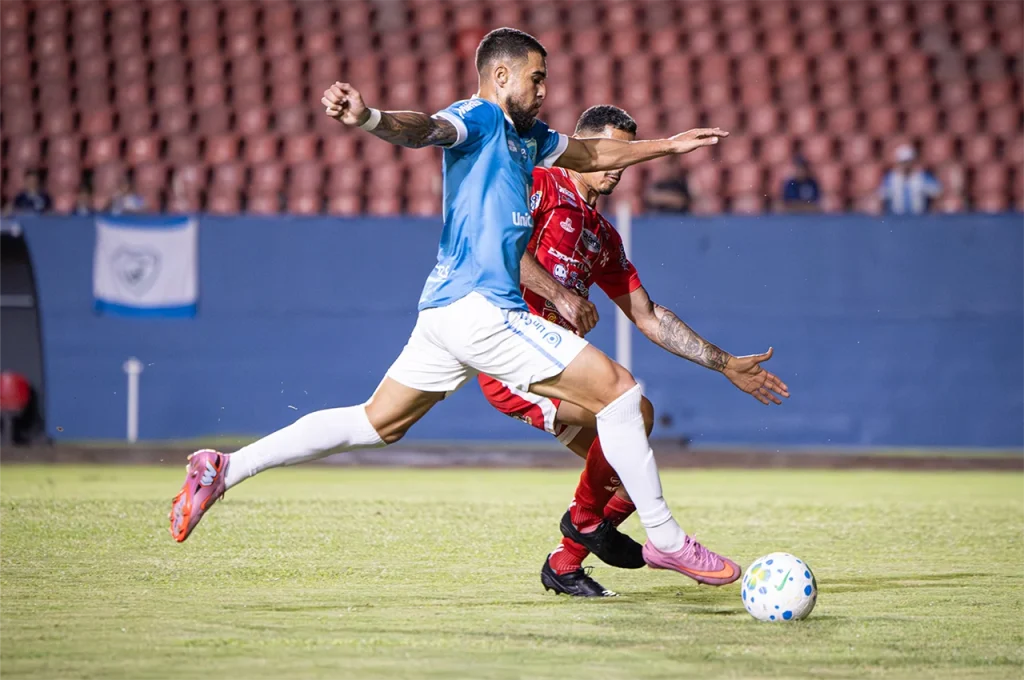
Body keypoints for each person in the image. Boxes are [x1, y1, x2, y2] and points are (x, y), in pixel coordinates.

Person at [170, 29, 779, 588]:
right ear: (501, 76)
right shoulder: (481, 116)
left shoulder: (531, 140)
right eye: (537, 78)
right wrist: (371, 118)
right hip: (483, 310)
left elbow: (593, 156)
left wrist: (669, 147)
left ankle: (225, 467)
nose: (545, 90)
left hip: (444, 314)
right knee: (622, 395)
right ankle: (666, 540)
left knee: (375, 423)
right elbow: (425, 129)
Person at [477, 105, 789, 596]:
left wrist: (726, 364)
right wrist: (560, 295)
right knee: (633, 410)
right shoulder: (539, 185)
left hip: (555, 367)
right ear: (584, 146)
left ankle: (565, 562)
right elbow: (496, 247)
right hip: (511, 358)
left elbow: (648, 315)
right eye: (612, 152)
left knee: (627, 471)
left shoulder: (602, 236)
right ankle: (586, 528)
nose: (620, 165)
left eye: (627, 155)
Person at [878, 144, 941, 215]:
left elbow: (936, 192)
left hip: (919, 217)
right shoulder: (891, 178)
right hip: (896, 218)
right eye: (903, 162)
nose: (906, 165)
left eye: (908, 162)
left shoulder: (922, 177)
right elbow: (882, 196)